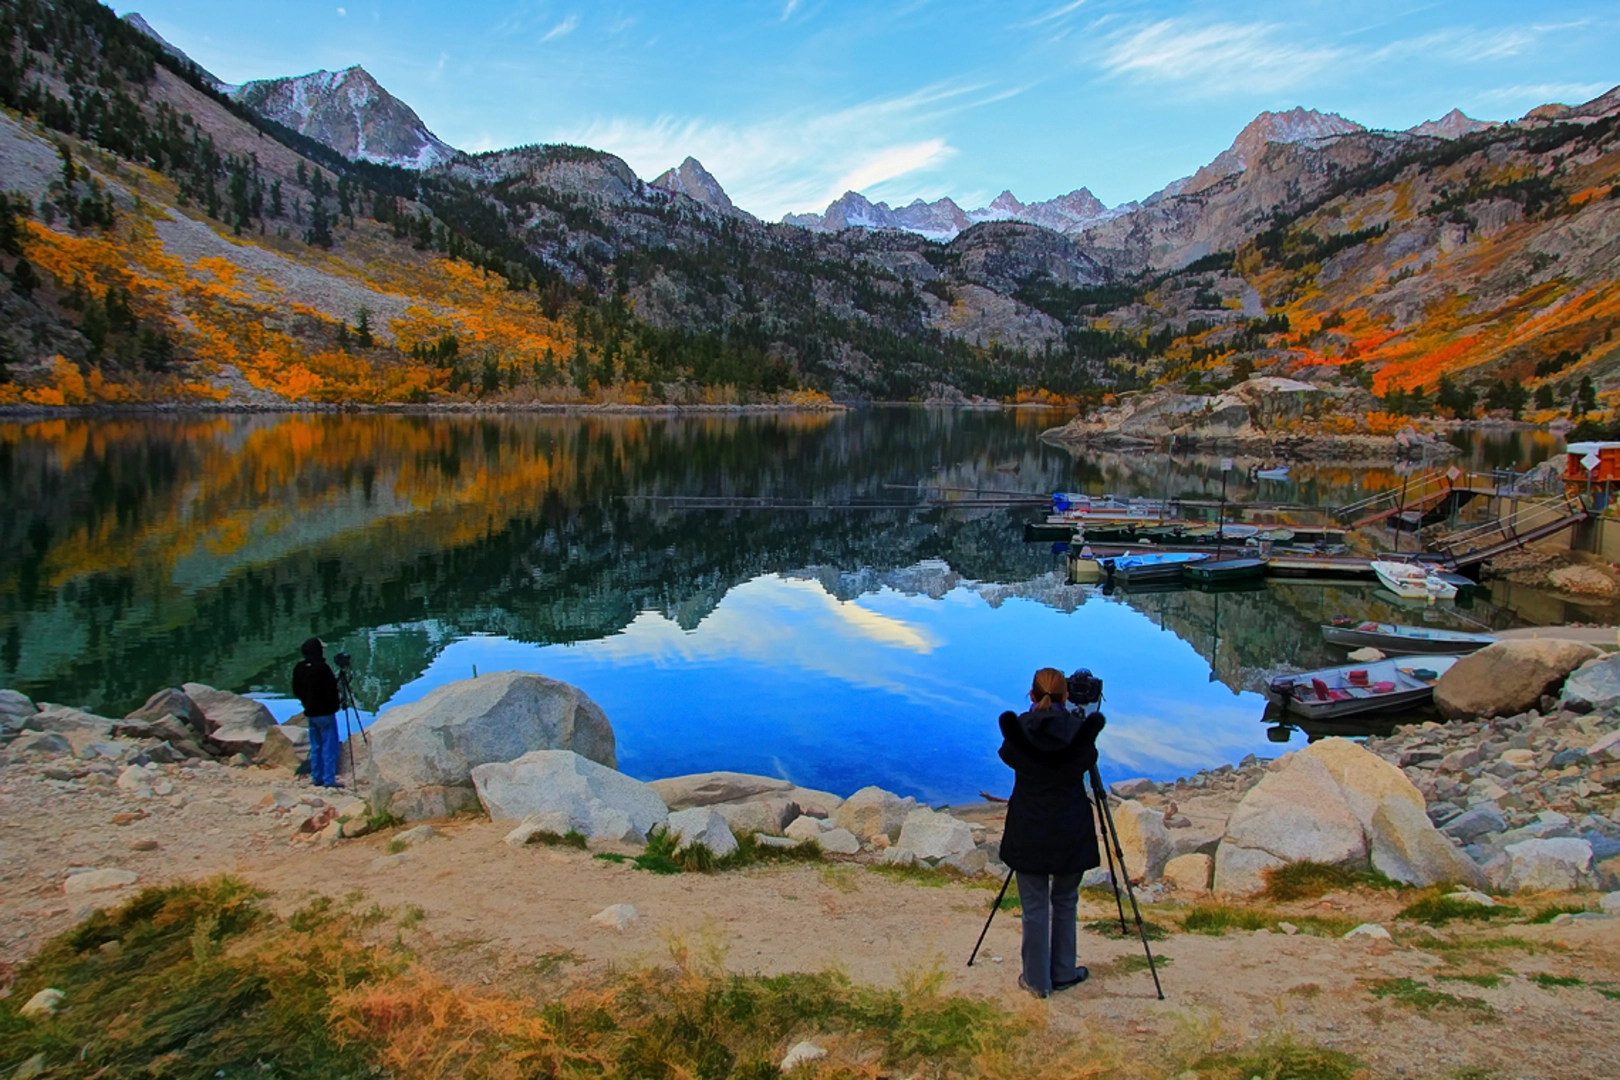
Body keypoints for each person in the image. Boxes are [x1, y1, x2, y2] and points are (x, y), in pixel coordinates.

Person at [997, 667, 1106, 999]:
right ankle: (1063, 971)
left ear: (1032, 696)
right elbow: (1088, 759)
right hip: (1071, 828)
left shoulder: (1019, 730)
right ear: (1068, 696)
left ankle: (1036, 980)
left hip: (1028, 828)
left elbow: (1007, 755)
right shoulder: (1079, 730)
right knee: (1065, 900)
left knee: (1033, 906)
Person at [292, 637, 343, 788]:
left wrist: (306, 702)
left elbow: (297, 690)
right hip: (325, 713)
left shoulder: (299, 668)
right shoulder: (323, 668)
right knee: (329, 746)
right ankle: (329, 779)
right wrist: (335, 706)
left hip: (310, 713)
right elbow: (331, 691)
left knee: (316, 746)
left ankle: (316, 776)